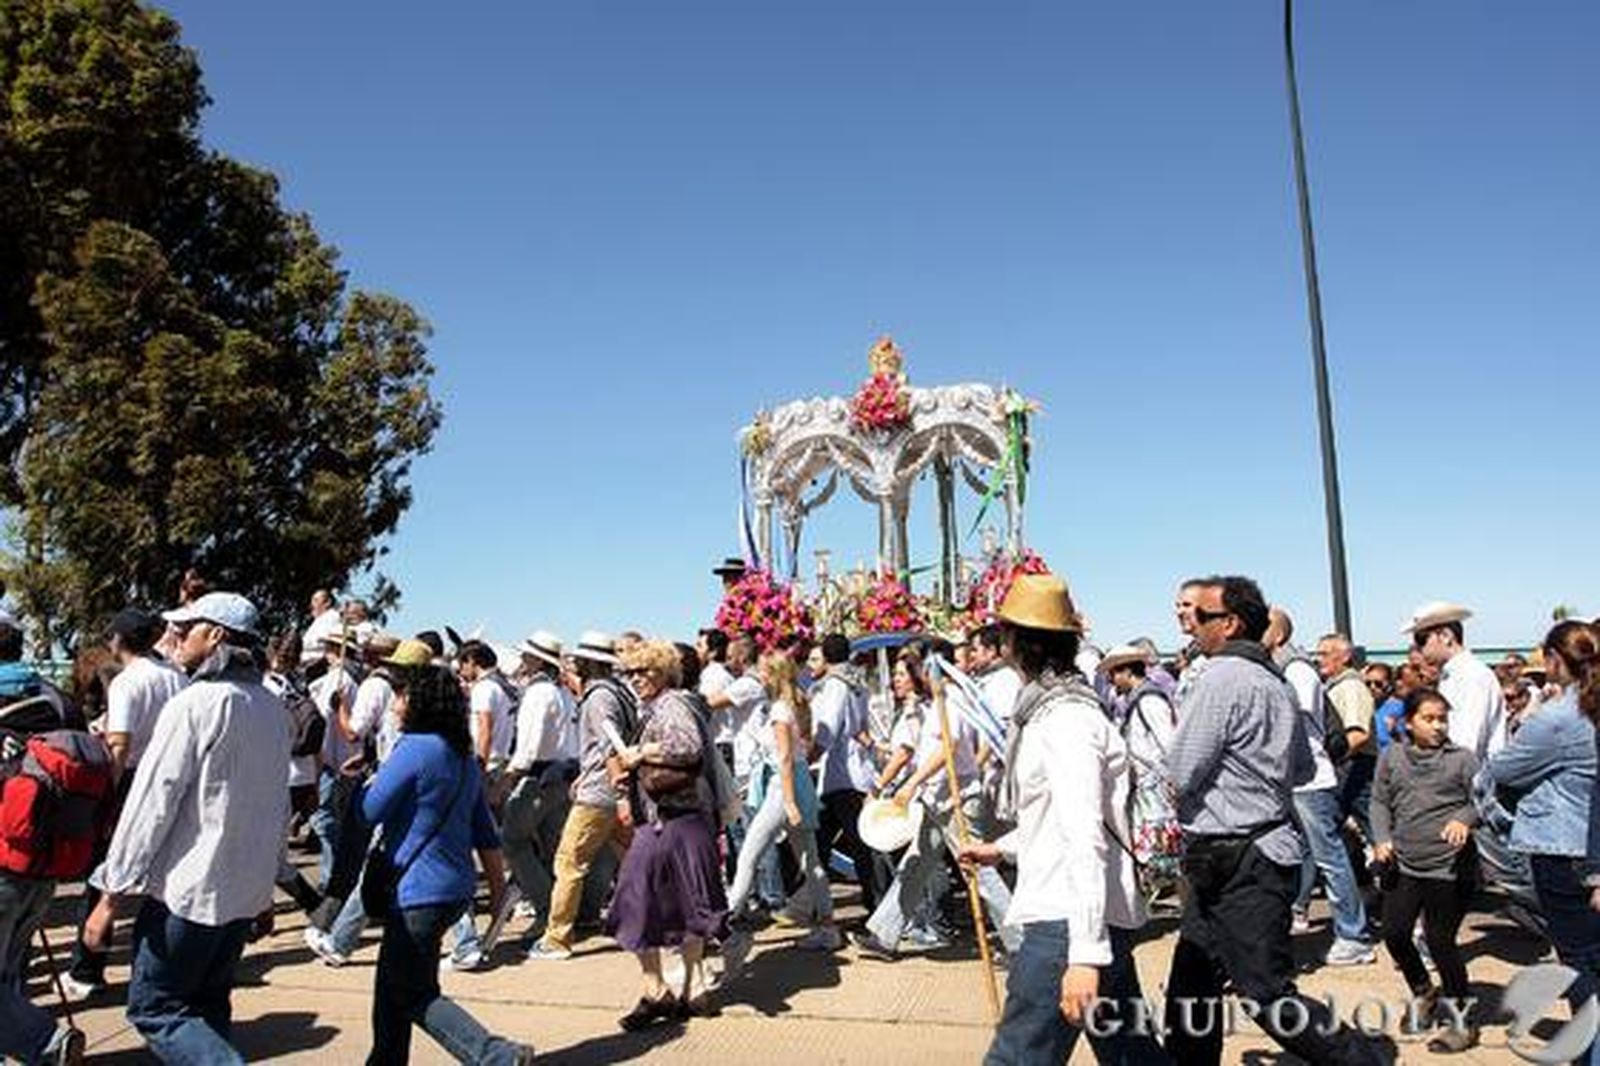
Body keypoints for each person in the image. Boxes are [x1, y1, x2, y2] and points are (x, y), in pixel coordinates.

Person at [958, 574, 1168, 1066]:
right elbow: (1061, 818)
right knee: (1131, 1056)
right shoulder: (1054, 710)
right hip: (1085, 917)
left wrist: (1084, 955)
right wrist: (1003, 849)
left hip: (1067, 923)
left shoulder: (1066, 718)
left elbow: (1084, 836)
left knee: (1016, 1058)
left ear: (1016, 642)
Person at [1161, 576, 1371, 1065]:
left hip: (1238, 858)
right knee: (1193, 984)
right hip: (1251, 852)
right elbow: (1302, 765)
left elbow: (1181, 768)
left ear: (1229, 623)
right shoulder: (1276, 679)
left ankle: (1359, 1060)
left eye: (1200, 616)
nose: (1191, 624)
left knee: (1268, 995)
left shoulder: (1221, 675)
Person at [83, 592, 290, 1064]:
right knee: (208, 1003)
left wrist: (110, 896)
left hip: (188, 894)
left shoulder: (196, 704)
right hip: (238, 894)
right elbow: (275, 807)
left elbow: (151, 804)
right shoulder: (272, 709)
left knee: (156, 1009)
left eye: (186, 629)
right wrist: (267, 890)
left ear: (215, 636)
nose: (173, 638)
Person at [358, 662, 531, 1064]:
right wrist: (499, 894)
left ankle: (495, 1056)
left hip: (416, 891)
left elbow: (371, 809)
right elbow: (485, 833)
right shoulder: (463, 758)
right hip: (453, 890)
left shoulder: (415, 748)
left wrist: (367, 783)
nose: (396, 703)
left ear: (419, 702)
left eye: (402, 695)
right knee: (393, 989)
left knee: (413, 993)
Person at [1485, 620, 1600, 1065]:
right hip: (1581, 845)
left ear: (1554, 660)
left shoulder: (1556, 718)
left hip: (1562, 849)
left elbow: (1505, 770)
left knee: (1579, 964)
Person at [59, 607, 188, 999]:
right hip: (173, 776)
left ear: (117, 640)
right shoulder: (176, 677)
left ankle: (87, 968)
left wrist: (106, 797)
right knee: (161, 877)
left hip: (130, 780)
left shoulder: (127, 683)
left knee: (105, 874)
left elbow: (119, 745)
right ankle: (155, 969)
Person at [852, 651, 1015, 960]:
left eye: (909, 670)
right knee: (914, 866)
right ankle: (885, 934)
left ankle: (1020, 943)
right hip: (937, 798)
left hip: (957, 799)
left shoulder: (950, 698)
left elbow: (949, 747)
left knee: (979, 871)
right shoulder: (935, 701)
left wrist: (912, 782)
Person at [606, 640, 730, 1027]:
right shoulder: (666, 705)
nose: (636, 679)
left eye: (645, 671)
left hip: (675, 818)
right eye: (630, 672)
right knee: (673, 902)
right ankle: (676, 989)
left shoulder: (672, 704)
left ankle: (667, 989)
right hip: (676, 819)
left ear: (665, 673)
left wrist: (639, 754)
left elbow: (687, 748)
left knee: (644, 897)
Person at [1370, 687, 1480, 1053]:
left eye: (1442, 719)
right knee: (1395, 934)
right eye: (1428, 719)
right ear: (1408, 722)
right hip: (1404, 863)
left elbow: (1482, 800)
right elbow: (1379, 801)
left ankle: (1461, 1021)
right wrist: (1381, 837)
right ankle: (1423, 991)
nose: (1437, 726)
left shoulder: (1462, 759)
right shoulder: (1392, 756)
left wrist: (1465, 819)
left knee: (1440, 942)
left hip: (1449, 868)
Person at [1264, 609, 1374, 963]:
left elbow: (1292, 726)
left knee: (1331, 859)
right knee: (1308, 856)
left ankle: (1354, 936)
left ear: (1277, 634)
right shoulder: (1282, 667)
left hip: (1310, 781)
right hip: (1295, 779)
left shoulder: (1296, 670)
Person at [722, 651, 839, 975]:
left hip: (782, 787)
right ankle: (828, 927)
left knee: (748, 856)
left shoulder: (779, 709)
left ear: (772, 675)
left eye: (762, 670)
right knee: (810, 860)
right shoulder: (797, 705)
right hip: (796, 784)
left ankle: (724, 923)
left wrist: (787, 802)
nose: (758, 676)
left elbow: (784, 758)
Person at [529, 632, 637, 961]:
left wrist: (614, 788)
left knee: (569, 862)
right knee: (635, 861)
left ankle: (557, 937)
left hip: (600, 794)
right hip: (608, 788)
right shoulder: (619, 691)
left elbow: (609, 743)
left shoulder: (599, 697)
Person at [494, 631, 578, 945]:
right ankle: (557, 910)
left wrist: (508, 779)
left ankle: (546, 908)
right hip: (561, 774)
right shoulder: (562, 693)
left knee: (513, 841)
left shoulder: (539, 693)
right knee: (551, 847)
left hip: (539, 777)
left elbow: (528, 746)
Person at [806, 633, 886, 914]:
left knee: (840, 843)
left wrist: (807, 760)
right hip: (854, 772)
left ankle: (872, 905)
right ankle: (811, 903)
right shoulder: (859, 684)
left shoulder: (835, 686)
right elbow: (860, 727)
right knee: (826, 842)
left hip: (841, 776)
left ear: (827, 658)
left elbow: (827, 729)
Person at [1405, 601, 1506, 760]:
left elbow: (1466, 742)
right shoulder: (1454, 675)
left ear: (1445, 636)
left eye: (1422, 640)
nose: (1420, 649)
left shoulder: (1472, 676)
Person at [1318, 632, 1377, 845]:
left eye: (1325, 654)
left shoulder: (1351, 687)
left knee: (1375, 830)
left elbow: (1358, 734)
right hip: (1346, 765)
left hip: (1353, 766)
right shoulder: (1336, 686)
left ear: (1344, 657)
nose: (1319, 659)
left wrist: (1330, 761)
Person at [301, 589, 342, 665]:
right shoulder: (319, 619)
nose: (312, 604)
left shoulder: (332, 617)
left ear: (327, 603)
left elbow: (321, 641)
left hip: (317, 663)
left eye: (316, 600)